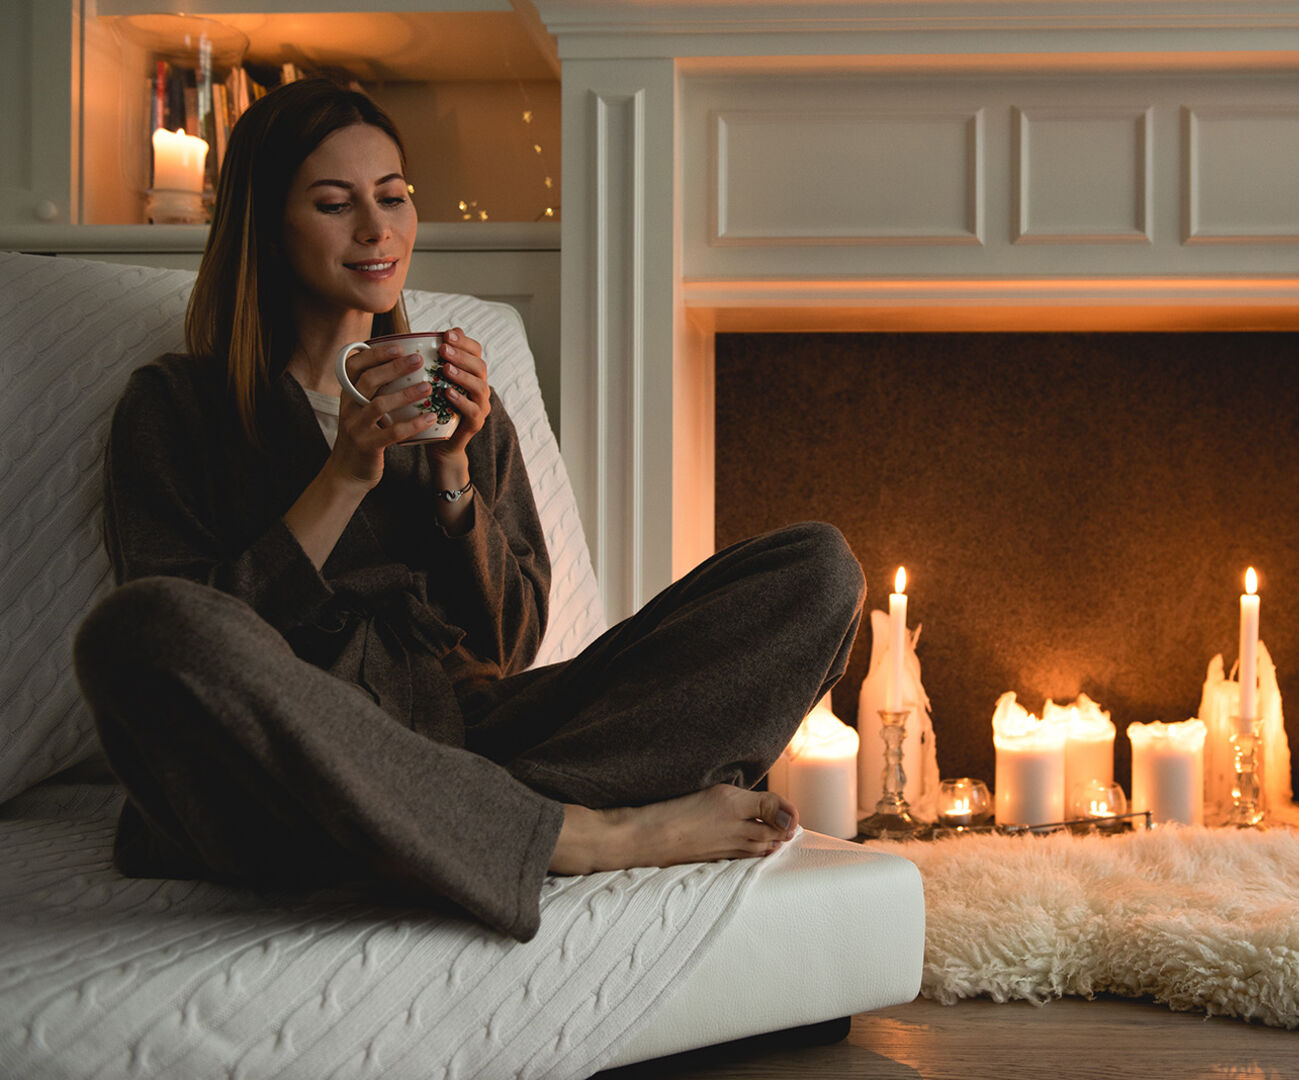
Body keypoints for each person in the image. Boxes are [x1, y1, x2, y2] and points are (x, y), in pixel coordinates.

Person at [72, 77, 864, 942]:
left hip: (467, 742)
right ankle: (583, 832)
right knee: (138, 631)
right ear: (264, 224)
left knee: (817, 569)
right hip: (285, 761)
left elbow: (508, 645)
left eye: (394, 197)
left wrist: (452, 470)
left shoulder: (456, 403)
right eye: (337, 204)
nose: (377, 230)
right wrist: (346, 473)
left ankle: (440, 828)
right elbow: (199, 635)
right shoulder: (178, 405)